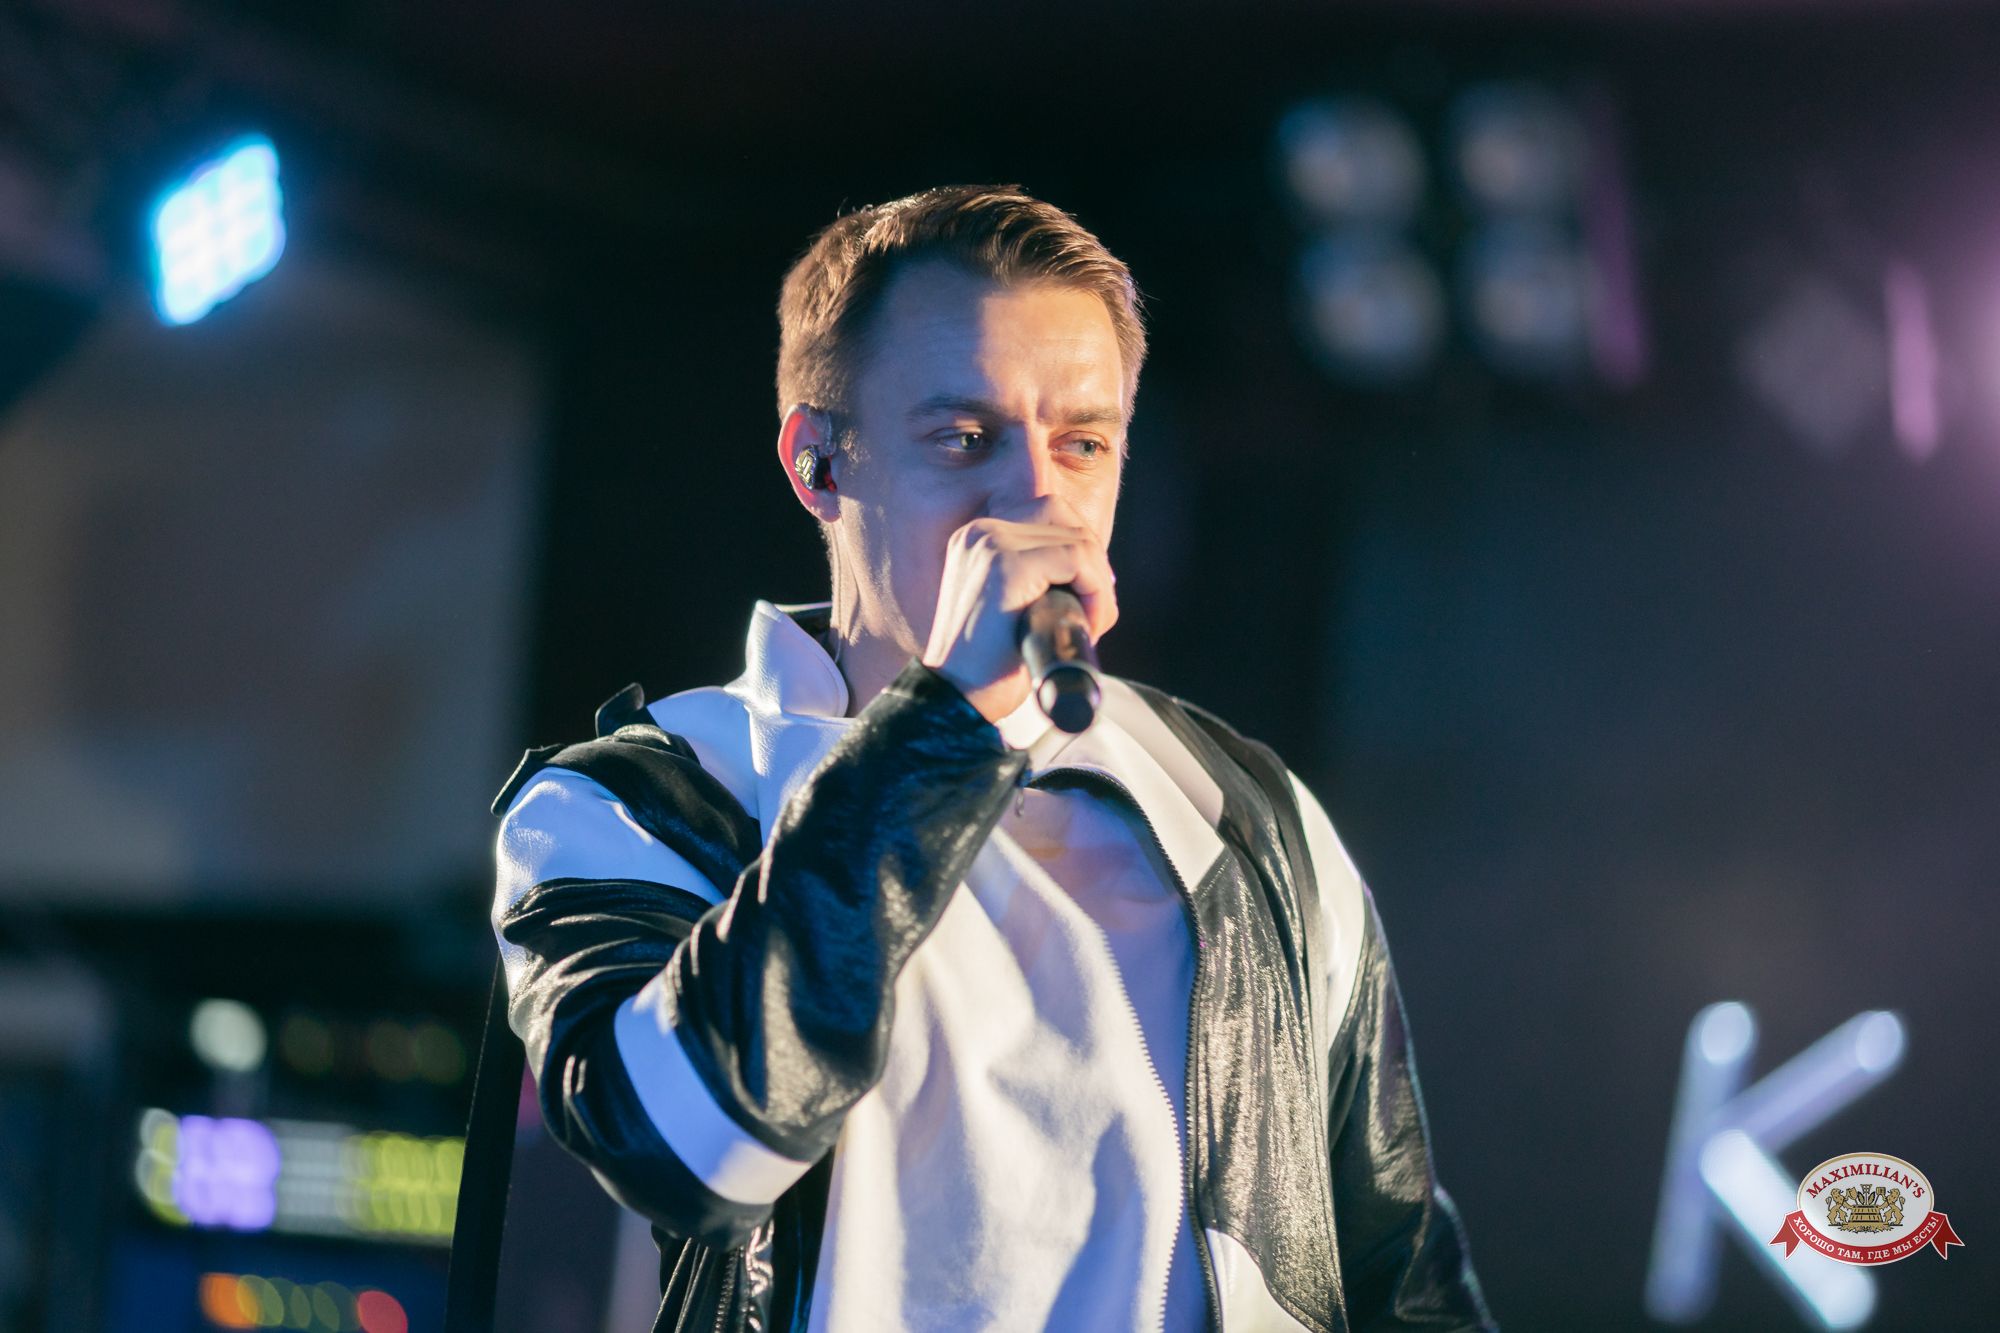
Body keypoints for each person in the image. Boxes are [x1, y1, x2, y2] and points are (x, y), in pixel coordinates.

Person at [488, 184, 1496, 1333]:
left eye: (1082, 443)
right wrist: (950, 720)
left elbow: (1401, 1280)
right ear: (818, 463)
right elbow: (684, 1149)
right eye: (964, 438)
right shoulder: (644, 798)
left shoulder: (1248, 817)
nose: (1035, 493)